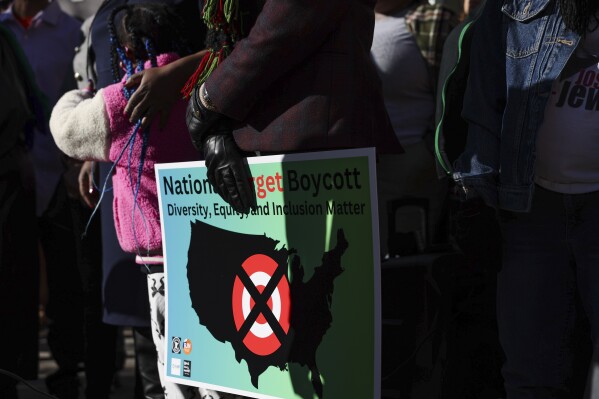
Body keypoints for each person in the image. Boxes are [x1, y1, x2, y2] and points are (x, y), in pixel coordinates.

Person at [49, 4, 224, 398]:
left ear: (123, 49)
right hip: (213, 247)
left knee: (173, 369)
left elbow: (66, 130)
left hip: (159, 259)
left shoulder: (125, 102)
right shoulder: (202, 86)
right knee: (216, 362)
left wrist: (82, 93)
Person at [443, 0, 599, 396]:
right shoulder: (514, 6)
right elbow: (484, 104)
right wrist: (475, 195)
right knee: (531, 371)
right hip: (529, 209)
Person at [0, 22, 44, 399]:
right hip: (13, 171)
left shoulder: (3, 40)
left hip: (9, 177)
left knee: (13, 290)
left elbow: (28, 106)